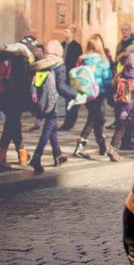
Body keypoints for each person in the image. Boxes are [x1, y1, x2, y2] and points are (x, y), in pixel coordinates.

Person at [29, 40, 77, 173]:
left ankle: (58, 155)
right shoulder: (58, 64)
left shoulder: (42, 63)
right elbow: (61, 87)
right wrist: (74, 94)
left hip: (41, 101)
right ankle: (36, 157)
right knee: (49, 127)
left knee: (53, 128)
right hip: (53, 101)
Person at [72, 36, 113, 158]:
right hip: (98, 93)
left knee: (97, 118)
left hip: (85, 93)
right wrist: (110, 95)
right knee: (94, 119)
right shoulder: (102, 61)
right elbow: (107, 79)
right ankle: (81, 146)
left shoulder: (81, 59)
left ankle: (102, 147)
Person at [0, 41, 35, 170]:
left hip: (3, 95)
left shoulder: (4, 58)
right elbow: (25, 82)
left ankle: (22, 153)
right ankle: (3, 156)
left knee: (13, 124)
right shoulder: (22, 60)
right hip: (15, 96)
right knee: (11, 125)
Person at [107, 52, 134, 161]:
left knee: (120, 128)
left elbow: (113, 90)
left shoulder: (121, 74)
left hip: (122, 107)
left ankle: (112, 148)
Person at [58, 25, 84, 131]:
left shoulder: (76, 46)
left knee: (71, 99)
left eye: (67, 31)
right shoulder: (62, 45)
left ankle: (70, 121)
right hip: (63, 74)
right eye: (64, 31)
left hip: (72, 75)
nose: (65, 33)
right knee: (65, 99)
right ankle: (67, 121)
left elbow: (77, 62)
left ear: (72, 33)